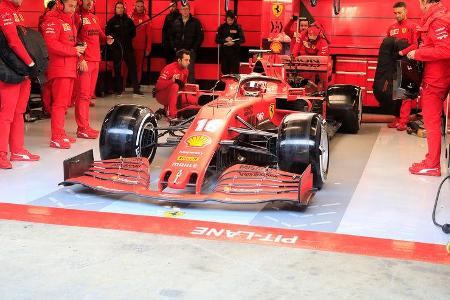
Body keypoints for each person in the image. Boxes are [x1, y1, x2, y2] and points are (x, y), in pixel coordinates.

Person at [406, 0, 450, 176]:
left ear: (424, 2)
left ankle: (432, 165)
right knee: (433, 123)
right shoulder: (442, 16)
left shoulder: (437, 20)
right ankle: (431, 158)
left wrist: (418, 54)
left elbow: (446, 50)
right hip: (441, 76)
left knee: (431, 123)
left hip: (436, 80)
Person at [0, 0, 40, 169]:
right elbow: (13, 41)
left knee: (19, 111)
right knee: (7, 113)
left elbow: (23, 41)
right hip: (10, 69)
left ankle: (17, 149)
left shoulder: (16, 12)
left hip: (22, 68)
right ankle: (1, 154)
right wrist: (30, 63)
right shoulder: (3, 9)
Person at [42, 0, 86, 149]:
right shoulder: (52, 21)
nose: (73, 9)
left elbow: (71, 45)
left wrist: (79, 49)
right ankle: (55, 137)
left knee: (64, 104)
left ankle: (60, 134)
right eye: (70, 6)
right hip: (59, 69)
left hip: (69, 69)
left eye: (75, 6)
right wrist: (73, 51)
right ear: (61, 5)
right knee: (59, 104)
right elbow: (51, 44)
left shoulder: (71, 22)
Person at [74, 0, 114, 139]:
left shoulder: (94, 17)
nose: (90, 2)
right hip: (85, 62)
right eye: (87, 0)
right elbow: (73, 39)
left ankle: (86, 126)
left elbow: (99, 36)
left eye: (92, 0)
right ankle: (82, 128)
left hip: (96, 60)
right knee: (83, 95)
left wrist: (106, 39)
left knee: (88, 96)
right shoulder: (77, 17)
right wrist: (80, 59)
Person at [386, 2, 420, 131]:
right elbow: (387, 45)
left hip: (408, 63)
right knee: (395, 93)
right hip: (394, 64)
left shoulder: (412, 26)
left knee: (405, 93)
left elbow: (415, 45)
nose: (397, 15)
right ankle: (397, 119)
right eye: (395, 13)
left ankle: (404, 121)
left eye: (399, 13)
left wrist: (401, 52)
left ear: (405, 11)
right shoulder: (391, 28)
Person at [106, 1, 143, 97]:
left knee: (133, 68)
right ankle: (118, 90)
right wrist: (115, 37)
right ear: (115, 9)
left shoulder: (129, 21)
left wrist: (127, 33)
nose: (120, 9)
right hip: (117, 50)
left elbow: (133, 34)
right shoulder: (111, 22)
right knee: (117, 70)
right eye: (118, 7)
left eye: (121, 8)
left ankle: (136, 89)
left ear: (124, 9)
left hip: (128, 49)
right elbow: (107, 35)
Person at [155, 49, 193, 119]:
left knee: (194, 100)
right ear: (179, 60)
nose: (189, 62)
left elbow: (183, 87)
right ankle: (172, 115)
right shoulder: (169, 69)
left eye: (189, 60)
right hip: (161, 95)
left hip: (176, 94)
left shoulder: (186, 71)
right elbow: (158, 87)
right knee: (175, 86)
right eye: (186, 60)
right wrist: (172, 81)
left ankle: (165, 111)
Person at [172, 3, 204, 83]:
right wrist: (174, 47)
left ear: (189, 10)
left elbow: (200, 37)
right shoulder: (176, 21)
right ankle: (178, 90)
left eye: (186, 9)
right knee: (177, 72)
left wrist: (193, 49)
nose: (185, 11)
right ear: (180, 10)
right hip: (179, 51)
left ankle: (190, 93)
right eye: (183, 9)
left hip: (190, 52)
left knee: (190, 72)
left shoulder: (196, 22)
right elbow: (171, 35)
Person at [39, 0, 57, 116]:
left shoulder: (44, 17)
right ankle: (47, 108)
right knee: (48, 83)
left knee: (50, 82)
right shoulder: (47, 18)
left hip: (47, 53)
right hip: (46, 53)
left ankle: (49, 107)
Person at [215, 10, 245, 75]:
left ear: (234, 19)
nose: (230, 21)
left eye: (232, 20)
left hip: (235, 54)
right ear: (226, 19)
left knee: (235, 74)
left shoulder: (238, 27)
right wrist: (225, 40)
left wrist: (234, 42)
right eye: (228, 19)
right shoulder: (222, 27)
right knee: (225, 74)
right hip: (224, 55)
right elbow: (217, 40)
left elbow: (242, 39)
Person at [131, 0, 152, 85]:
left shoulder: (147, 18)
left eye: (141, 6)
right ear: (135, 7)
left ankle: (136, 85)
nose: (139, 8)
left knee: (138, 67)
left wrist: (148, 49)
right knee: (128, 66)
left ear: (144, 7)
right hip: (130, 47)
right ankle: (124, 84)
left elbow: (149, 35)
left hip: (141, 47)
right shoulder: (130, 17)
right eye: (138, 6)